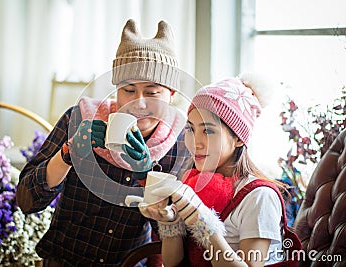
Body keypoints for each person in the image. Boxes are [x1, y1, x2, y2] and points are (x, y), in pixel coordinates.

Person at [16, 19, 191, 266]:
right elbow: (26, 201)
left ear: (171, 95)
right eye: (128, 90)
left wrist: (146, 177)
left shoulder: (181, 144)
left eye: (152, 92)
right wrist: (68, 154)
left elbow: (176, 235)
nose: (138, 103)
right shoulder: (78, 119)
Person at [139, 74, 291, 266]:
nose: (195, 143)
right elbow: (172, 263)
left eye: (208, 130)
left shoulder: (259, 196)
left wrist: (202, 221)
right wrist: (171, 224)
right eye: (191, 129)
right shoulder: (193, 183)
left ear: (238, 138)